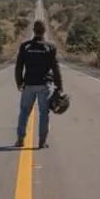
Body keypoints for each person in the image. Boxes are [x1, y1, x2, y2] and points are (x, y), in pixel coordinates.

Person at [14, 18, 63, 149]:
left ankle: (20, 139)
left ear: (33, 30)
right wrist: (59, 87)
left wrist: (19, 82)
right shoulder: (50, 47)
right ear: (45, 31)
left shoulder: (25, 46)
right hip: (44, 85)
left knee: (24, 112)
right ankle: (42, 141)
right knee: (43, 113)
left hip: (29, 84)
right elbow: (55, 68)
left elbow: (19, 66)